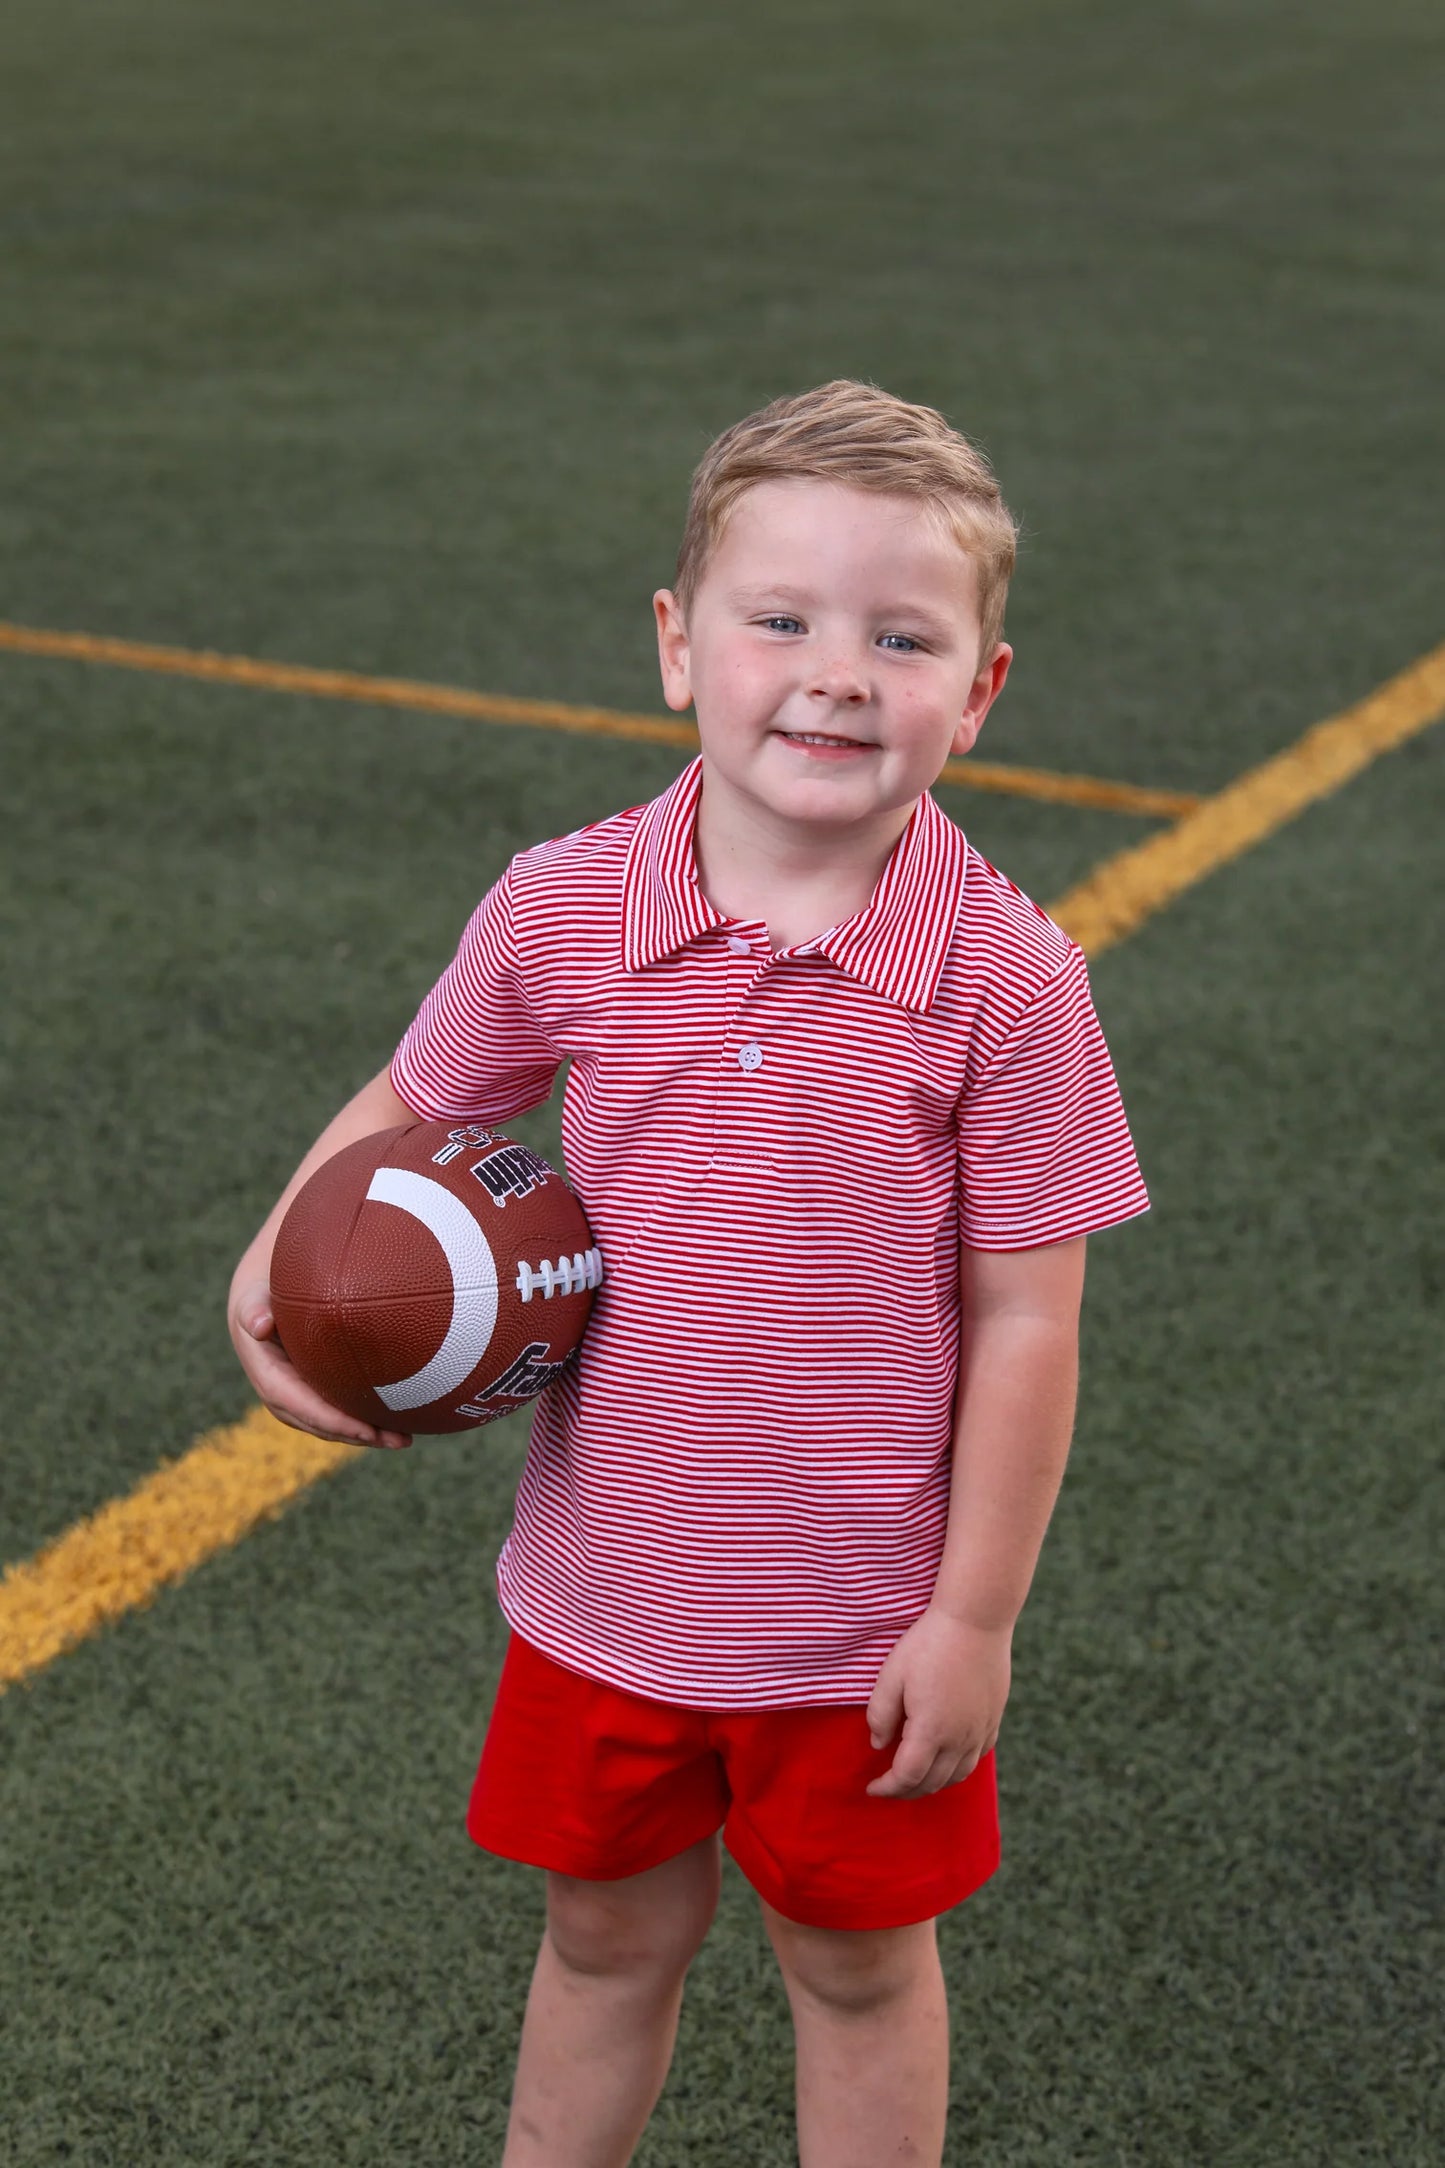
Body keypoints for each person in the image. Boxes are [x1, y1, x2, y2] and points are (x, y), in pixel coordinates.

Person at [228, 377, 1150, 2167]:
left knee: (859, 1971)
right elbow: (412, 1100)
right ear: (678, 647)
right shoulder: (563, 904)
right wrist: (266, 1281)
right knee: (600, 1939)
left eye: (902, 635)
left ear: (979, 692)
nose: (835, 671)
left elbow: (1028, 1312)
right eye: (779, 618)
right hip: (606, 1603)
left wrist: (971, 1619)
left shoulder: (1010, 976)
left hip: (856, 1633)